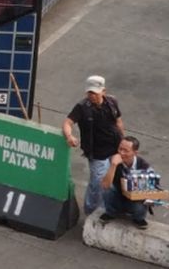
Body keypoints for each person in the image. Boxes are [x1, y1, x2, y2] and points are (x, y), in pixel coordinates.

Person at [63, 75, 125, 215]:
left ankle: (109, 209)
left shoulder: (112, 102)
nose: (92, 96)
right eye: (89, 92)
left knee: (115, 180)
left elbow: (119, 122)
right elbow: (68, 123)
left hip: (115, 148)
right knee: (98, 184)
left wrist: (124, 143)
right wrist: (69, 136)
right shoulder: (82, 107)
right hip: (97, 153)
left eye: (95, 93)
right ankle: (91, 212)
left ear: (103, 91)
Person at [99, 136, 150, 229]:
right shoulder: (112, 160)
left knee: (142, 201)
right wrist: (113, 166)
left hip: (134, 200)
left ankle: (138, 218)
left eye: (126, 150)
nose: (121, 153)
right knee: (108, 188)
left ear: (135, 153)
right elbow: (105, 185)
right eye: (120, 149)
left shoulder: (143, 165)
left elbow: (148, 190)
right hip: (117, 196)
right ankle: (111, 212)